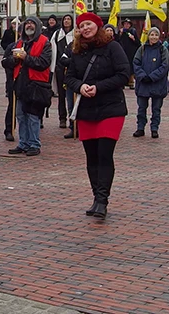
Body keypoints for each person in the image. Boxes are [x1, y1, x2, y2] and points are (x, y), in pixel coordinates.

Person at [64, 12, 130, 219]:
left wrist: (98, 87)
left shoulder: (113, 47)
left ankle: (102, 200)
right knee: (91, 156)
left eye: (89, 24)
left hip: (110, 107)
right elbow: (69, 77)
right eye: (82, 25)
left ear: (98, 26)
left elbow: (123, 74)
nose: (85, 28)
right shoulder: (76, 51)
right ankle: (95, 197)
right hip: (87, 110)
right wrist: (80, 86)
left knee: (104, 154)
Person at [2, 17, 52, 157]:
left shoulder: (45, 42)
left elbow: (43, 63)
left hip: (36, 85)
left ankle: (34, 144)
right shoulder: (18, 42)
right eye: (27, 23)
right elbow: (6, 62)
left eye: (32, 23)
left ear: (37, 26)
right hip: (20, 84)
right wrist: (15, 58)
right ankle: (23, 143)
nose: (29, 25)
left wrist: (26, 57)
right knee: (20, 115)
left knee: (32, 116)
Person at [133, 27, 169, 138]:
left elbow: (165, 66)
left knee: (156, 109)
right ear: (148, 36)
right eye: (151, 34)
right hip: (143, 84)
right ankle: (140, 128)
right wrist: (142, 76)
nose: (153, 37)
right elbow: (136, 63)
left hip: (158, 84)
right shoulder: (142, 49)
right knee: (141, 108)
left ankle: (154, 128)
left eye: (156, 35)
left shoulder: (163, 50)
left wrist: (152, 77)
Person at [50, 14, 75, 129]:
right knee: (61, 95)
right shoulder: (56, 35)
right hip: (59, 68)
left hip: (72, 69)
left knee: (72, 95)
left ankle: (73, 118)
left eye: (69, 19)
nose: (66, 21)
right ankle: (62, 118)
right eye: (65, 19)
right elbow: (52, 49)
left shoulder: (75, 35)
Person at [1, 17, 19, 141]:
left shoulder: (32, 45)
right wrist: (14, 59)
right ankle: (9, 129)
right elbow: (4, 62)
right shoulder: (12, 46)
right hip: (13, 81)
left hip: (29, 82)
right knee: (12, 106)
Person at [118, 18, 139, 88]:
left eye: (128, 24)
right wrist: (120, 34)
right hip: (122, 52)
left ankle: (131, 82)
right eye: (125, 24)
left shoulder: (133, 31)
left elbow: (138, 43)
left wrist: (133, 39)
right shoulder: (121, 32)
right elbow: (117, 41)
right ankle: (123, 82)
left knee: (131, 67)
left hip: (131, 52)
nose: (126, 25)